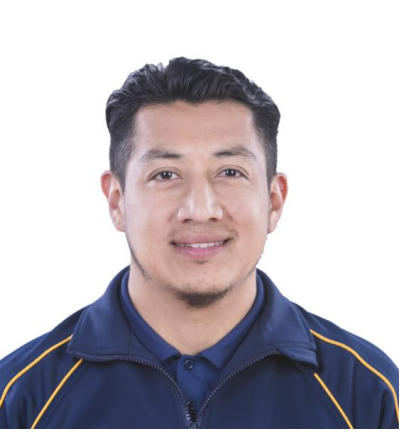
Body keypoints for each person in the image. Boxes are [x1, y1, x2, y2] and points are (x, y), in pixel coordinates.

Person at [0, 57, 399, 429]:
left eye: (230, 172)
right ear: (117, 201)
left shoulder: (369, 393)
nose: (200, 210)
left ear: (274, 200)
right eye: (165, 175)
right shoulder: (21, 398)